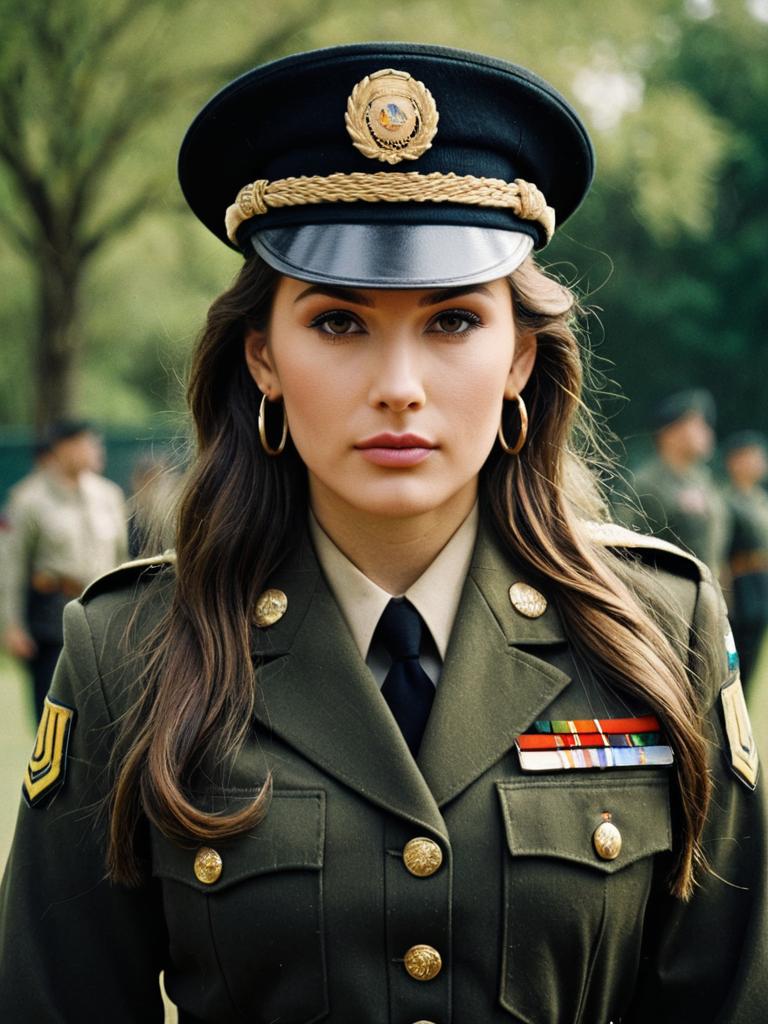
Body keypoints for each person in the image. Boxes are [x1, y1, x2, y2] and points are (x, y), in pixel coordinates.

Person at [0, 44, 765, 1023]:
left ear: (520, 358)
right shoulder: (131, 650)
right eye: (339, 323)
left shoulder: (662, 629)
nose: (399, 384)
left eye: (451, 322)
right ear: (263, 357)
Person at [0, 420, 128, 718]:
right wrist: (12, 625)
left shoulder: (108, 496)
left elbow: (122, 559)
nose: (96, 450)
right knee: (53, 712)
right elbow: (12, 565)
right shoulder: (28, 499)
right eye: (87, 443)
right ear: (64, 449)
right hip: (52, 616)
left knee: (102, 711)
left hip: (104, 614)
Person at [626, 389, 729, 576]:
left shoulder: (704, 480)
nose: (707, 432)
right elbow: (629, 550)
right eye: (698, 424)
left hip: (707, 591)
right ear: (669, 433)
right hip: (668, 594)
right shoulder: (646, 483)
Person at [723, 430, 768, 693]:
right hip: (738, 584)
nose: (759, 462)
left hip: (760, 585)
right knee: (735, 662)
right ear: (735, 461)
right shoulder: (726, 499)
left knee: (752, 663)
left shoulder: (760, 499)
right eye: (752, 456)